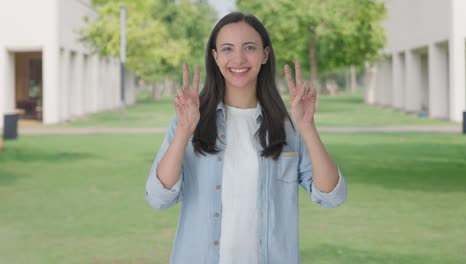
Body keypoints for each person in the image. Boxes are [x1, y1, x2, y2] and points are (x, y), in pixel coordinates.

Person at [145, 11, 347, 264]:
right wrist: (184, 131)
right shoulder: (190, 121)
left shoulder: (288, 127)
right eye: (227, 49)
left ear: (265, 54)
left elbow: (332, 196)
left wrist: (307, 128)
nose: (238, 58)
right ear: (215, 57)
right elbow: (158, 197)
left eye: (249, 47)